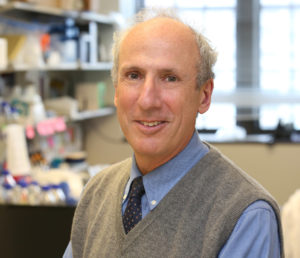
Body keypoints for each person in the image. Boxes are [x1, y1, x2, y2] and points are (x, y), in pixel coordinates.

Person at [64, 9, 284, 258]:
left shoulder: (245, 217)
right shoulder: (97, 193)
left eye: (170, 78)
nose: (147, 100)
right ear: (116, 91)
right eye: (133, 75)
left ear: (204, 95)